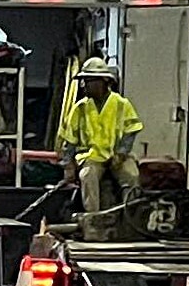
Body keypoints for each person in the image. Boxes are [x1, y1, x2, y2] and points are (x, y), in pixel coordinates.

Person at [59, 55, 144, 238]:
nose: (84, 86)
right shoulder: (80, 108)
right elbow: (70, 141)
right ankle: (94, 224)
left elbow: (131, 131)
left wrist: (121, 154)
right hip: (92, 157)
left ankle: (132, 223)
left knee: (132, 175)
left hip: (117, 156)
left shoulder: (122, 104)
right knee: (88, 176)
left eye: (89, 81)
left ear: (104, 82)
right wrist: (68, 165)